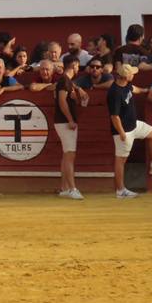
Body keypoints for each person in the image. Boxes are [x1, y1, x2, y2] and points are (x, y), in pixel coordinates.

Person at [107, 63, 152, 199]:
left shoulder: (126, 85)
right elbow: (114, 116)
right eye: (132, 73)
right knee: (120, 161)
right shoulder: (115, 92)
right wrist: (122, 133)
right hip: (124, 131)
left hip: (134, 125)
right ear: (126, 76)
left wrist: (144, 90)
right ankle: (120, 190)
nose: (133, 75)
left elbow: (133, 89)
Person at [53, 53, 84, 199]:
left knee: (67, 155)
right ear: (73, 65)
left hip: (63, 121)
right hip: (65, 122)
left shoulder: (67, 82)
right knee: (70, 155)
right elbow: (62, 102)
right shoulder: (65, 82)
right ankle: (72, 188)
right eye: (77, 65)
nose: (78, 68)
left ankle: (65, 188)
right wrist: (70, 119)